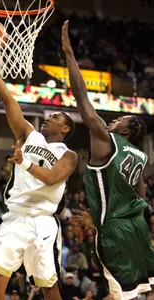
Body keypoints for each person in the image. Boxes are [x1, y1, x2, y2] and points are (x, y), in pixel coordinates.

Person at [0, 41, 78, 300]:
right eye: (49, 115)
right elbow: (7, 98)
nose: (49, 117)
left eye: (56, 117)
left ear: (65, 129)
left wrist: (24, 163)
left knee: (49, 289)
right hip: (15, 217)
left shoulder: (69, 156)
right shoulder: (28, 135)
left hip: (43, 222)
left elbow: (52, 179)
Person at [62, 20, 154, 300]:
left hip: (117, 229)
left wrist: (68, 52)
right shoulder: (140, 155)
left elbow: (81, 96)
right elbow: (141, 192)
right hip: (138, 225)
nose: (113, 121)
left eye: (120, 119)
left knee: (119, 294)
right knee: (147, 289)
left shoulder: (106, 140)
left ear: (127, 130)